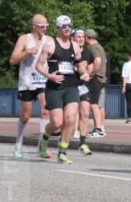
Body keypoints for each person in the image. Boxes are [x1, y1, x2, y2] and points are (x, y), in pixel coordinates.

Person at [35, 15, 90, 163]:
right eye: (64, 26)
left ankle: (62, 152)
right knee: (57, 122)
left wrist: (84, 72)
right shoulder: (50, 44)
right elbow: (38, 66)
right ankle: (44, 140)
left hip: (71, 86)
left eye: (69, 26)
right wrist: (49, 76)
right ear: (57, 28)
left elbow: (79, 65)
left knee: (71, 119)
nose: (67, 29)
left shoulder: (75, 46)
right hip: (55, 87)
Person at [9, 15, 50, 159]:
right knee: (26, 116)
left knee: (46, 112)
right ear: (33, 26)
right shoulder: (24, 39)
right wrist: (27, 52)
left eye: (46, 26)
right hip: (27, 82)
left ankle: (41, 147)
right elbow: (12, 60)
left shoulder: (49, 40)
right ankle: (18, 143)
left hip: (43, 80)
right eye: (41, 26)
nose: (44, 28)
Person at [71, 29, 94, 156]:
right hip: (69, 85)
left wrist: (88, 71)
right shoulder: (68, 50)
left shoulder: (87, 52)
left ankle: (82, 143)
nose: (80, 39)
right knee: (69, 116)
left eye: (82, 37)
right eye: (78, 36)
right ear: (72, 38)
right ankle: (62, 141)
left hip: (82, 86)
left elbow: (86, 66)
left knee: (85, 112)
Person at [83, 29, 108, 138]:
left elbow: (97, 61)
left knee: (93, 104)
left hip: (96, 79)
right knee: (96, 104)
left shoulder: (93, 48)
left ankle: (98, 129)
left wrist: (92, 73)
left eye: (84, 37)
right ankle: (98, 128)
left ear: (87, 38)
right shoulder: (100, 46)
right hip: (101, 78)